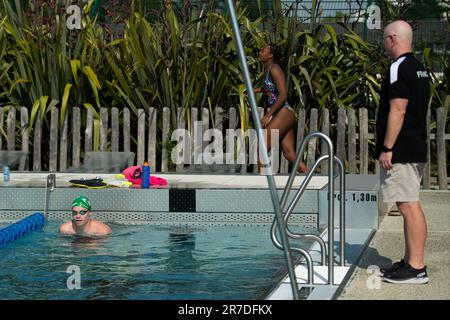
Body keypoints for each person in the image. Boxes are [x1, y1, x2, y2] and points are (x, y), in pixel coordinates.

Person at [376, 20, 430, 284]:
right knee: (409, 202)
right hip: (415, 145)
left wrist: (387, 148)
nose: (383, 43)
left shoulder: (398, 67)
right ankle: (410, 261)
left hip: (402, 148)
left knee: (408, 205)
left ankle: (417, 267)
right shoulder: (420, 69)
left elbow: (398, 110)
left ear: (393, 38)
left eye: (384, 38)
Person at [253, 43, 308, 174]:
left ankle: (263, 188)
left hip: (284, 113)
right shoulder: (268, 69)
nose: (260, 53)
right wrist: (252, 90)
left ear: (270, 55)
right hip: (283, 115)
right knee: (289, 155)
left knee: (261, 149)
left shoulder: (274, 69)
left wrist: (268, 115)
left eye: (263, 50)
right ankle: (309, 177)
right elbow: (269, 89)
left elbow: (283, 94)